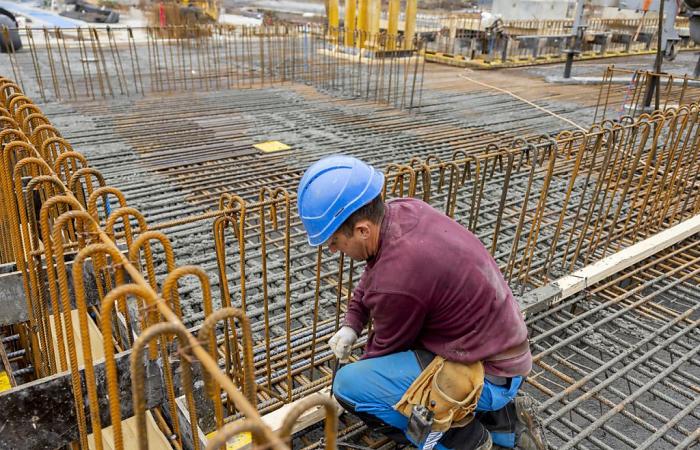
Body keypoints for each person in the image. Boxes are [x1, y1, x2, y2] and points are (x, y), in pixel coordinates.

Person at [297, 155, 545, 450]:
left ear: (362, 230)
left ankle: (463, 440)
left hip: (485, 377)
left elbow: (383, 352)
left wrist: (359, 383)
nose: (334, 249)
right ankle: (505, 424)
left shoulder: (397, 280)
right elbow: (373, 274)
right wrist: (353, 322)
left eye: (335, 241)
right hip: (504, 358)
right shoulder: (401, 212)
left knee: (351, 387)